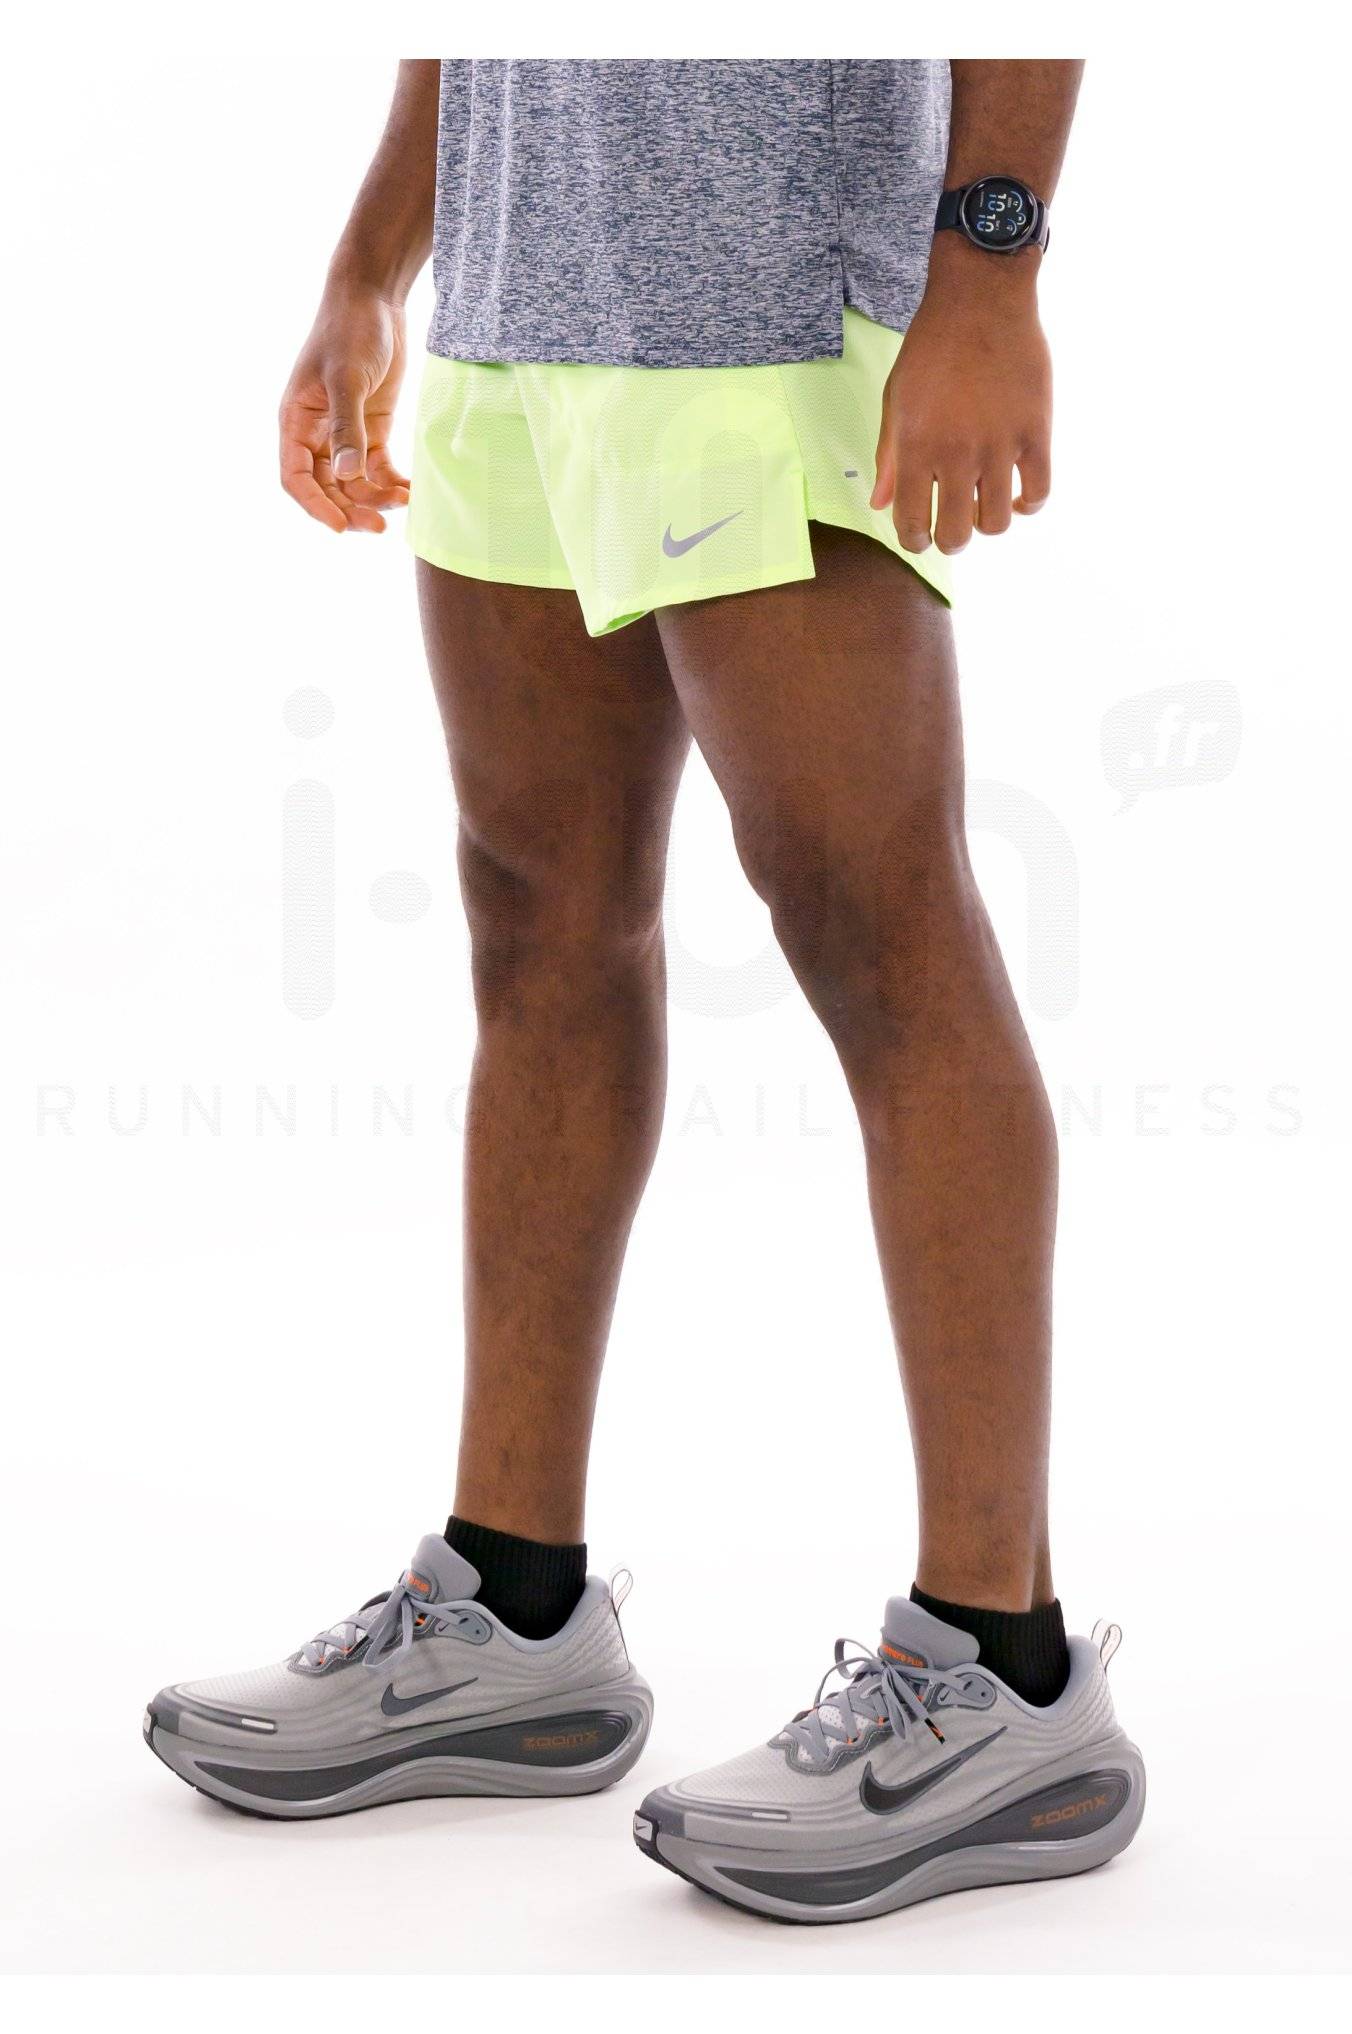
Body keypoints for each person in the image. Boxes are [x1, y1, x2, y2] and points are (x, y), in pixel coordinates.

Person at [144, 58, 1145, 1923]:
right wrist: (372, 264)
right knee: (538, 920)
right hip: (516, 308)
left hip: (768, 312)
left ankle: (1000, 1673)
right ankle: (513, 1611)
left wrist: (990, 275)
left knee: (876, 927)